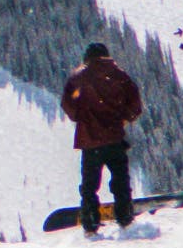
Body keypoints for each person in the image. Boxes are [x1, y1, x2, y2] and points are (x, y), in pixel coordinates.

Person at [59, 41, 142, 235]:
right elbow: (135, 104)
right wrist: (124, 117)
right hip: (114, 137)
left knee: (90, 185)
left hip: (90, 140)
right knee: (121, 179)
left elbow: (67, 103)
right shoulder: (120, 75)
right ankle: (125, 217)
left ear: (87, 57)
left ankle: (91, 223)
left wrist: (81, 117)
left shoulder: (79, 77)